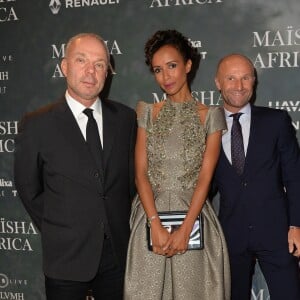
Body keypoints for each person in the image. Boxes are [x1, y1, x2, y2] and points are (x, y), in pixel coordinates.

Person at [14, 33, 137, 300]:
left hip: (117, 255)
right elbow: (28, 188)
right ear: (64, 67)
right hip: (65, 257)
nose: (91, 71)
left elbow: (129, 184)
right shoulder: (37, 124)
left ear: (108, 71)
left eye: (100, 63)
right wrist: (59, 227)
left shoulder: (126, 119)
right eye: (81, 60)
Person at [124, 29, 230, 299]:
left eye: (172, 66)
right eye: (158, 70)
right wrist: (154, 224)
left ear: (188, 65)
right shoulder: (147, 112)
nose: (165, 77)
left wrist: (185, 229)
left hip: (193, 220)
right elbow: (140, 174)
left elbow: (205, 179)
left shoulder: (211, 116)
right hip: (150, 218)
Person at [213, 53, 300, 300]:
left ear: (254, 81)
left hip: (278, 233)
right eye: (231, 78)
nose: (239, 86)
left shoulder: (276, 121)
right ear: (218, 83)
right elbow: (203, 185)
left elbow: (294, 176)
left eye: (245, 78)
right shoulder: (207, 126)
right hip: (230, 235)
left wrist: (297, 225)